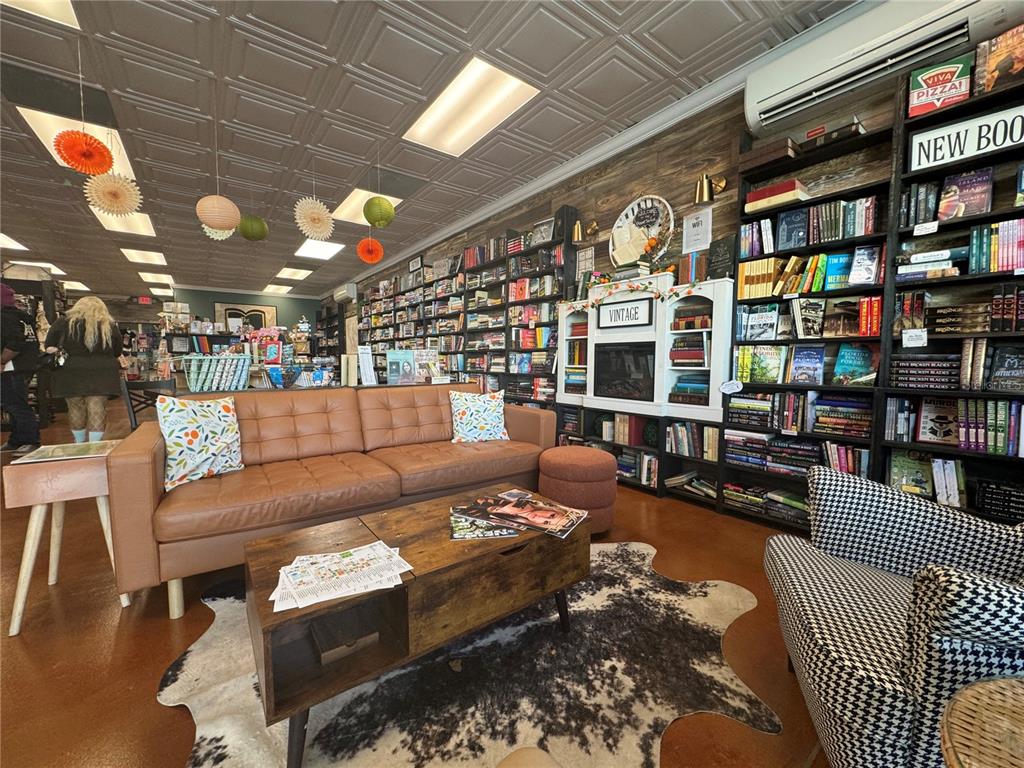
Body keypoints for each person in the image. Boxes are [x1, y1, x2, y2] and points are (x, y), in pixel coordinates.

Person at [44, 296, 122, 443]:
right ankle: (94, 446)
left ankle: (79, 444)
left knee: (75, 408)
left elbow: (49, 345)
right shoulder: (109, 325)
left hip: (71, 371)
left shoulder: (63, 322)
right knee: (97, 408)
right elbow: (117, 351)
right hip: (102, 372)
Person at [0, 283, 41, 453]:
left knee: (15, 404)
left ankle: (31, 440)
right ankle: (16, 440)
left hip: (11, 367)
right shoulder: (23, 316)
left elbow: (16, 342)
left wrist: (2, 360)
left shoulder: (4, 317)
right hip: (26, 365)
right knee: (16, 403)